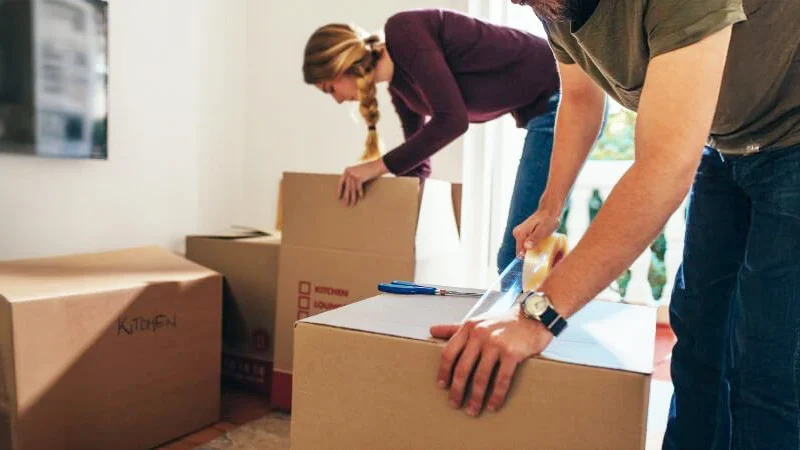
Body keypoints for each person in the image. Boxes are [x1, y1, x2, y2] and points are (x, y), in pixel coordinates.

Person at [430, 1, 800, 449]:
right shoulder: (553, 7)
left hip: (793, 138)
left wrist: (538, 317)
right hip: (725, 145)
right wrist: (550, 206)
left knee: (769, 358)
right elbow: (580, 99)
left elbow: (664, 165)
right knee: (700, 340)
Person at [302, 8, 597, 272]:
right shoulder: (400, 89)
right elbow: (419, 168)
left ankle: (548, 309)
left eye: (330, 88)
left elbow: (452, 120)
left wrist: (375, 167)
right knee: (522, 256)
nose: (336, 99)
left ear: (340, 65)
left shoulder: (404, 32)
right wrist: (393, 231)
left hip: (566, 97)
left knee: (516, 257)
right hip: (545, 109)